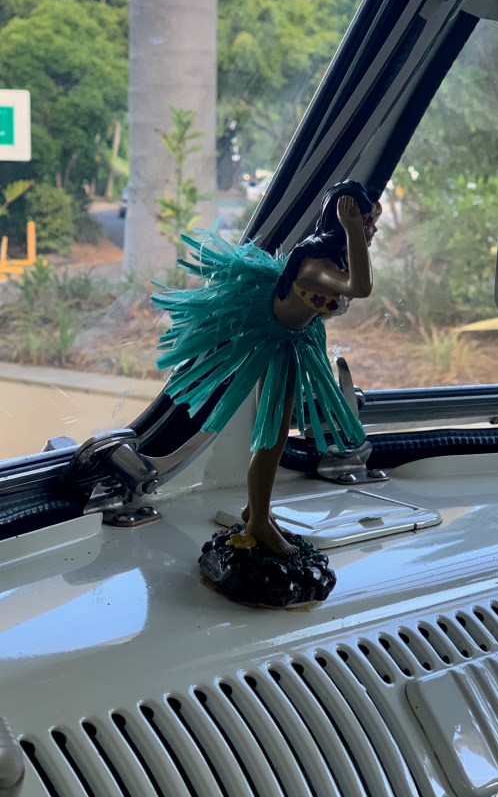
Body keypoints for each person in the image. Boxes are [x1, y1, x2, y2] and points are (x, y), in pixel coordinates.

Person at [152, 180, 382, 556]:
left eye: (372, 223)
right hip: (271, 339)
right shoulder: (318, 265)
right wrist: (355, 229)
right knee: (271, 440)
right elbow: (361, 287)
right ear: (345, 221)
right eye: (368, 222)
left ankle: (256, 511)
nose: (372, 231)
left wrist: (356, 230)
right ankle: (257, 519)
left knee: (273, 437)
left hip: (294, 339)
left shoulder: (331, 259)